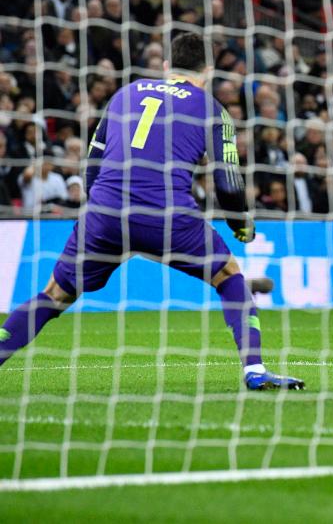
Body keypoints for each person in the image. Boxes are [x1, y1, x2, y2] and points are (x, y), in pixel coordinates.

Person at [0, 33, 304, 391]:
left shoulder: (124, 94)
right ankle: (254, 370)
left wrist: (100, 213)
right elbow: (228, 185)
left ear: (165, 66)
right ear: (207, 69)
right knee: (229, 275)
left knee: (54, 295)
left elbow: (93, 167)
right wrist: (242, 225)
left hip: (105, 211)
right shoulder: (212, 109)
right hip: (167, 215)